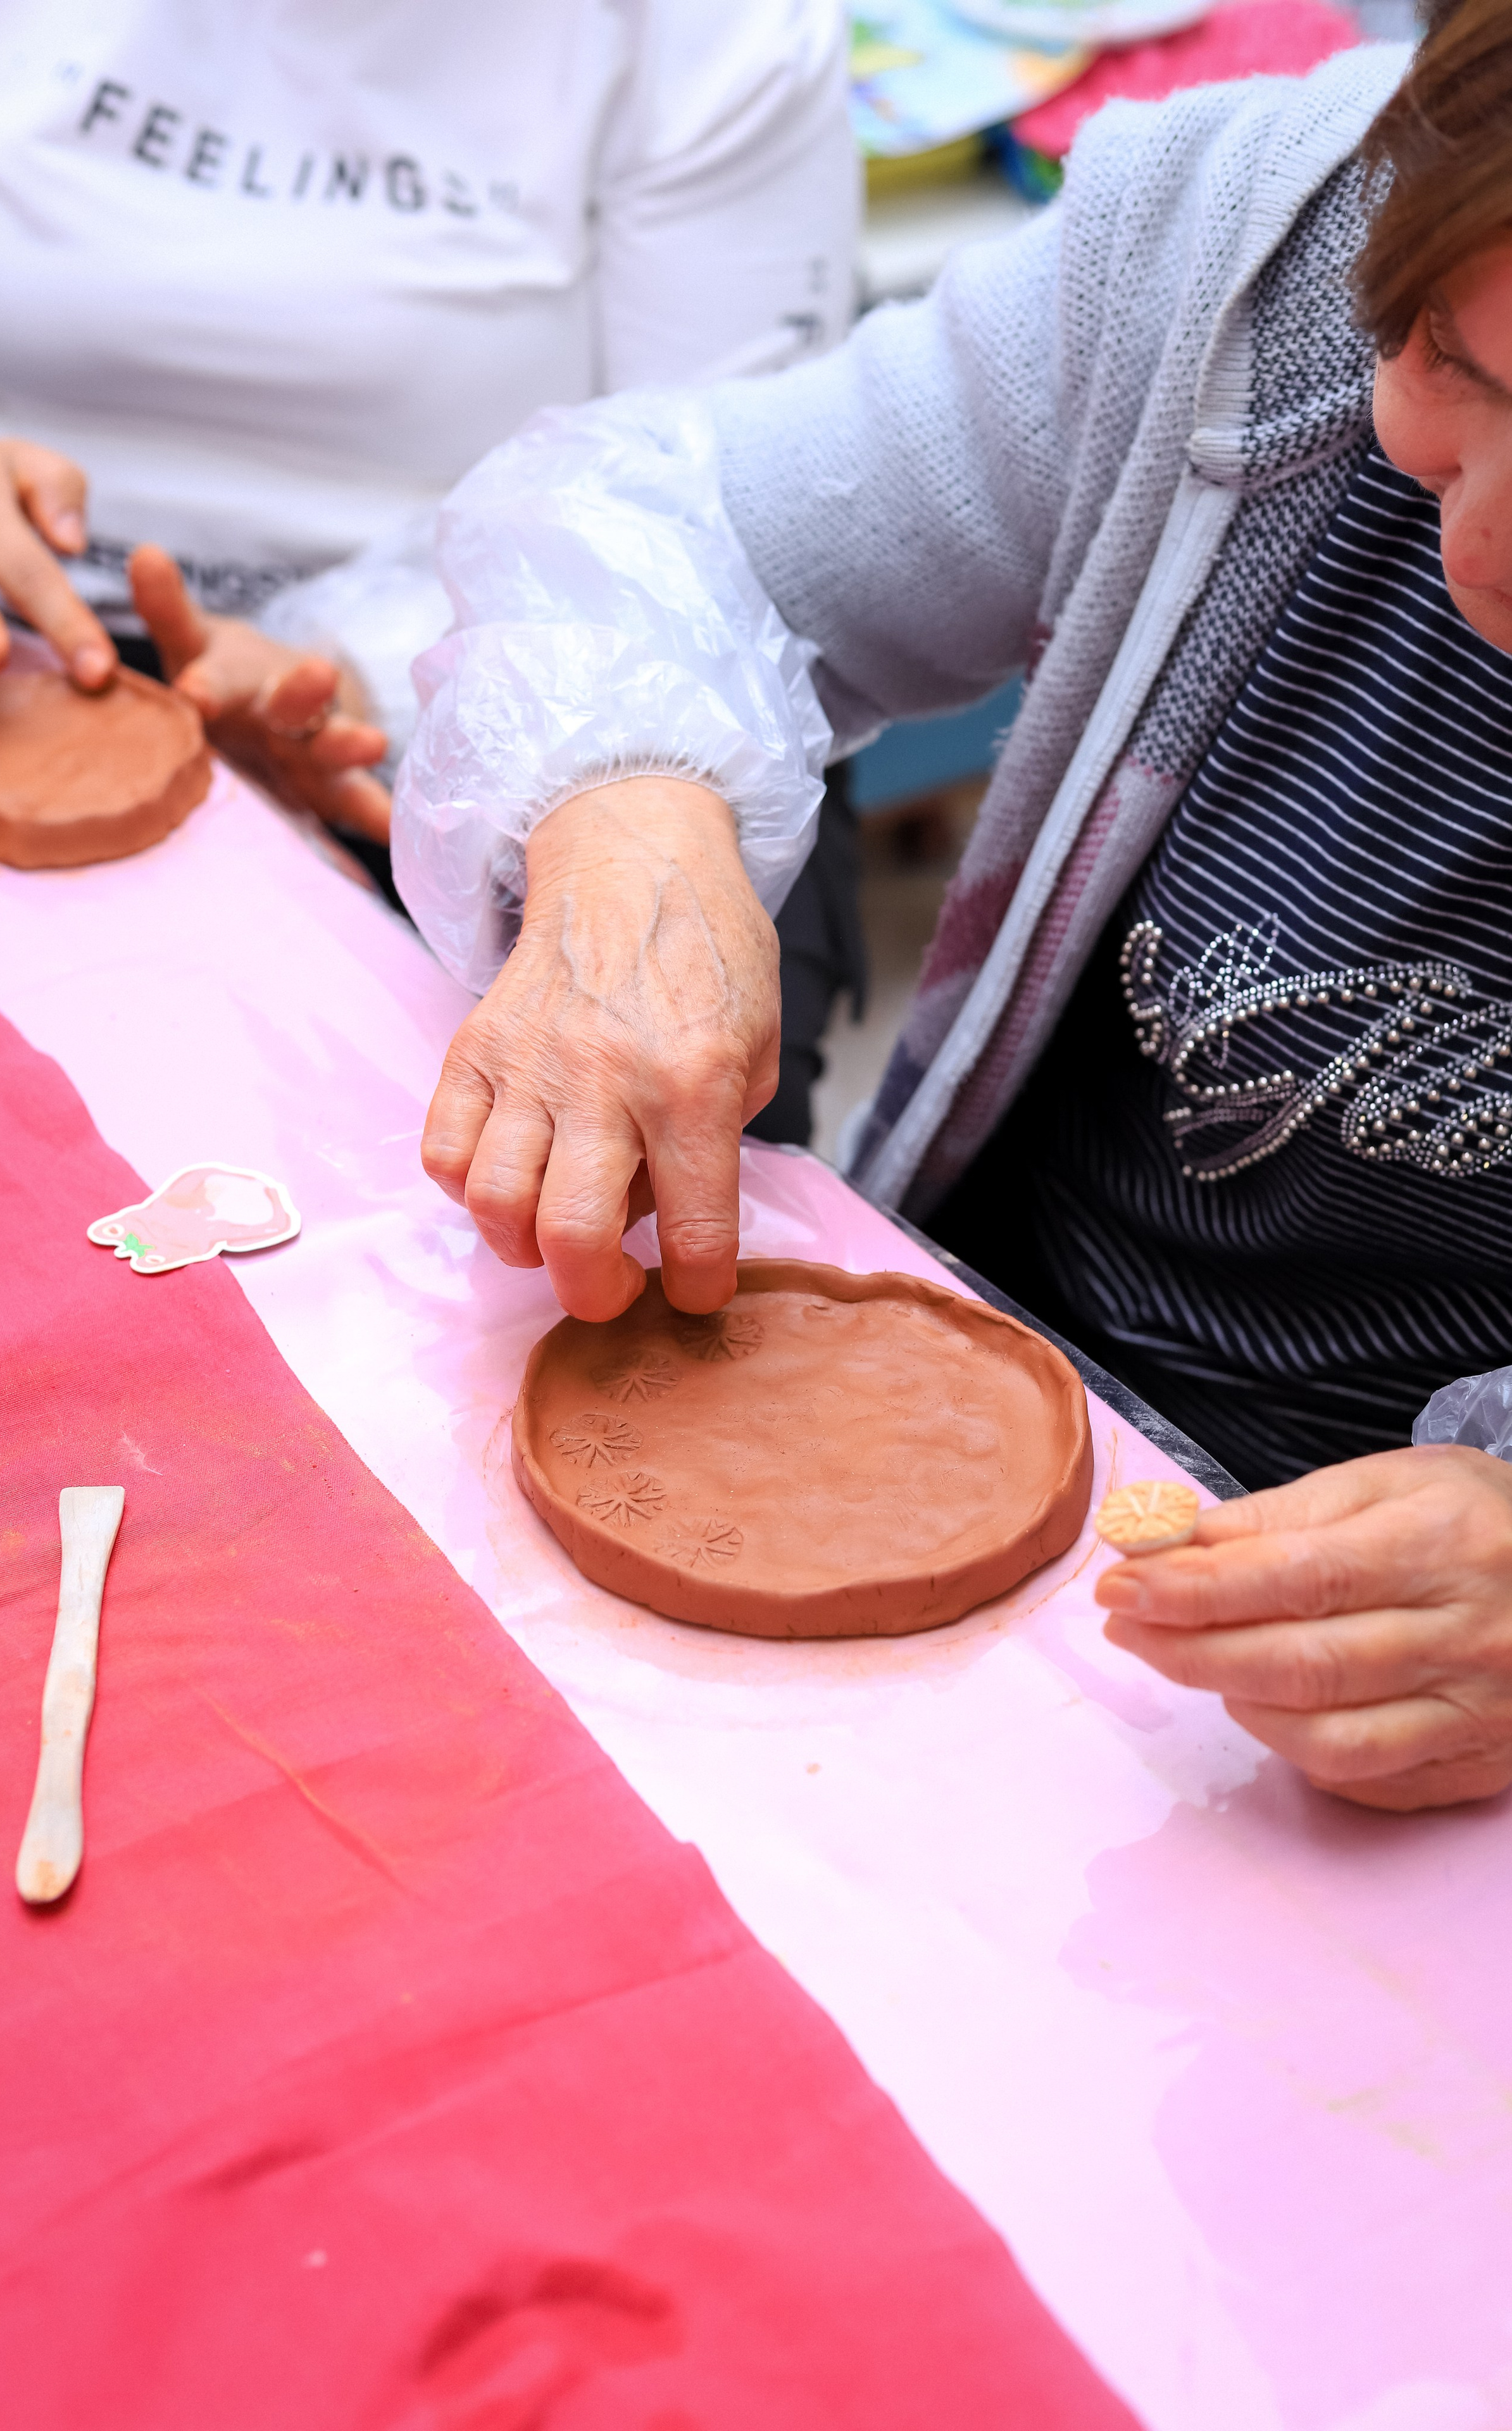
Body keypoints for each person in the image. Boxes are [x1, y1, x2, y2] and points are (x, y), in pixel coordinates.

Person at [397, 0, 1512, 1812]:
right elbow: (653, 517)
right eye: (1447, 356)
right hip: (988, 1387)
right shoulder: (1254, 249)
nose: (1468, 541)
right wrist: (628, 813)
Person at [0, 0, 861, 1128]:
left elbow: (715, 511)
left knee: (575, 1192)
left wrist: (370, 675)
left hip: (540, 701)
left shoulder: (710, 34)